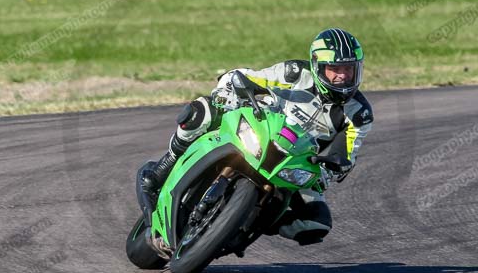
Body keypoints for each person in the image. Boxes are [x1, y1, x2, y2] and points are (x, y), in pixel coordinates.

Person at [141, 28, 373, 245]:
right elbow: (242, 77)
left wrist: (325, 174)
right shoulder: (294, 74)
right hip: (257, 132)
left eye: (349, 69)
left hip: (291, 163)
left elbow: (345, 157)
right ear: (317, 66)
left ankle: (250, 225)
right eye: (335, 70)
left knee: (317, 224)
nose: (343, 77)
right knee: (201, 111)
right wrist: (226, 92)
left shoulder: (359, 114)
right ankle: (163, 169)